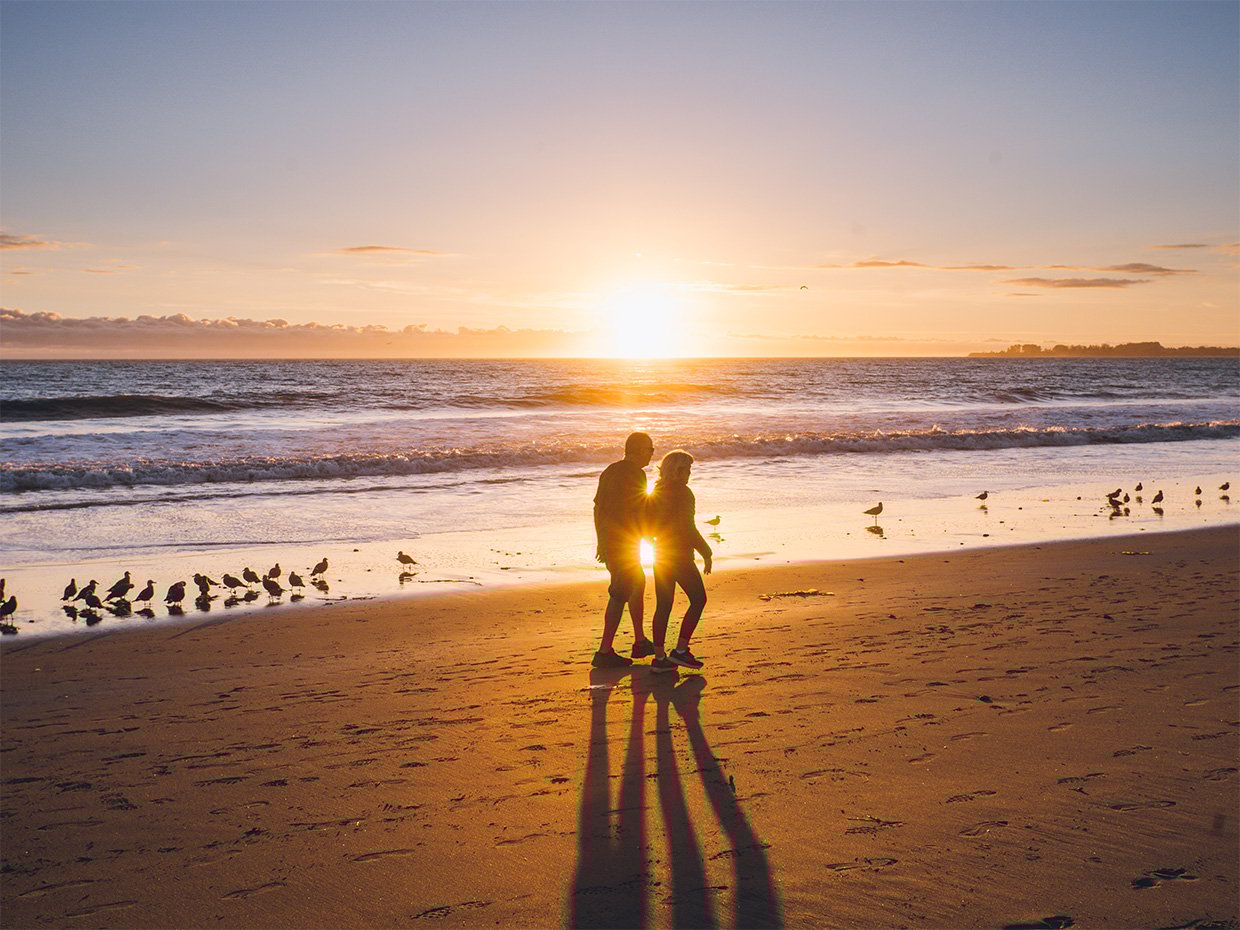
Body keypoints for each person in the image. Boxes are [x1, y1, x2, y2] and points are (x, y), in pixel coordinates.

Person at [592, 431, 657, 668]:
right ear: (639, 450)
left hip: (611, 539)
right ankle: (604, 650)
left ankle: (640, 640)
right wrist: (648, 536)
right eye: (650, 450)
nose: (652, 455)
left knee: (636, 582)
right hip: (623, 541)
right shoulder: (635, 474)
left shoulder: (610, 470)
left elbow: (598, 508)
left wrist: (601, 540)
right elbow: (636, 509)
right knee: (620, 592)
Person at [645, 450, 711, 672]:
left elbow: (646, 524)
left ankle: (659, 657)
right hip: (680, 555)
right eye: (688, 469)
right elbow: (688, 528)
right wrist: (706, 551)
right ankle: (681, 651)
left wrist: (652, 541)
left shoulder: (656, 491)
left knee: (663, 604)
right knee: (698, 599)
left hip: (660, 554)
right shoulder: (684, 493)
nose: (690, 474)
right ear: (678, 470)